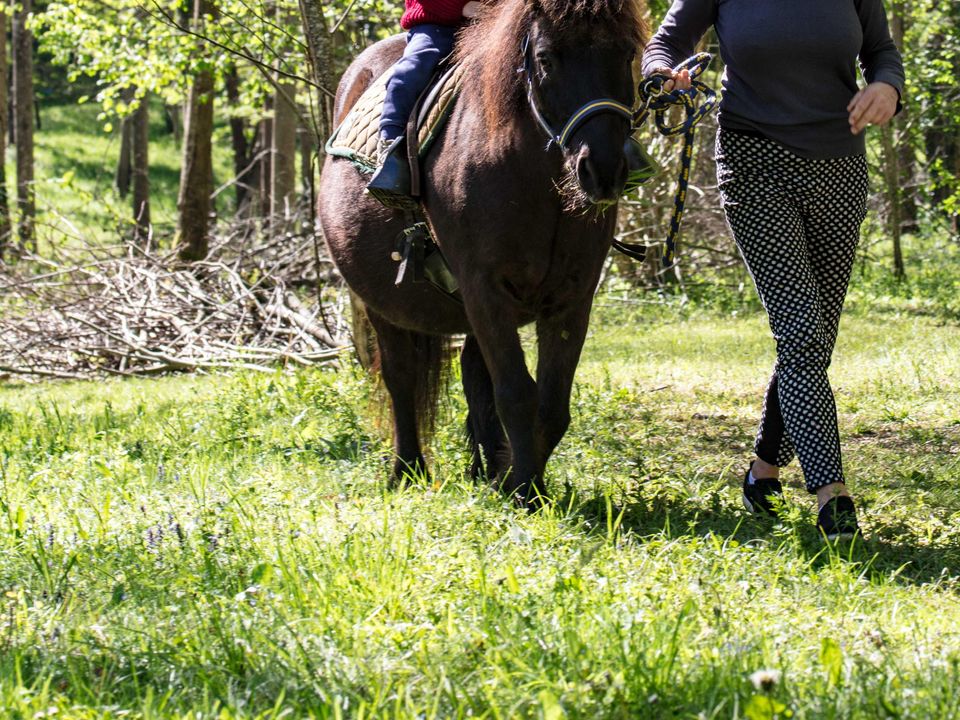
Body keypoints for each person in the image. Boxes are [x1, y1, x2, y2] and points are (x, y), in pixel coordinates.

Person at [642, 0, 905, 539]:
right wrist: (662, 75)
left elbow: (881, 53)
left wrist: (888, 89)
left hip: (841, 165)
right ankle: (832, 494)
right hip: (754, 161)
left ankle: (764, 470)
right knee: (801, 331)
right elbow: (664, 44)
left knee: (812, 339)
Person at [366, 0, 481, 207]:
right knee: (410, 71)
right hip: (439, 26)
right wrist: (461, 8)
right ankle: (390, 148)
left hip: (498, 27)